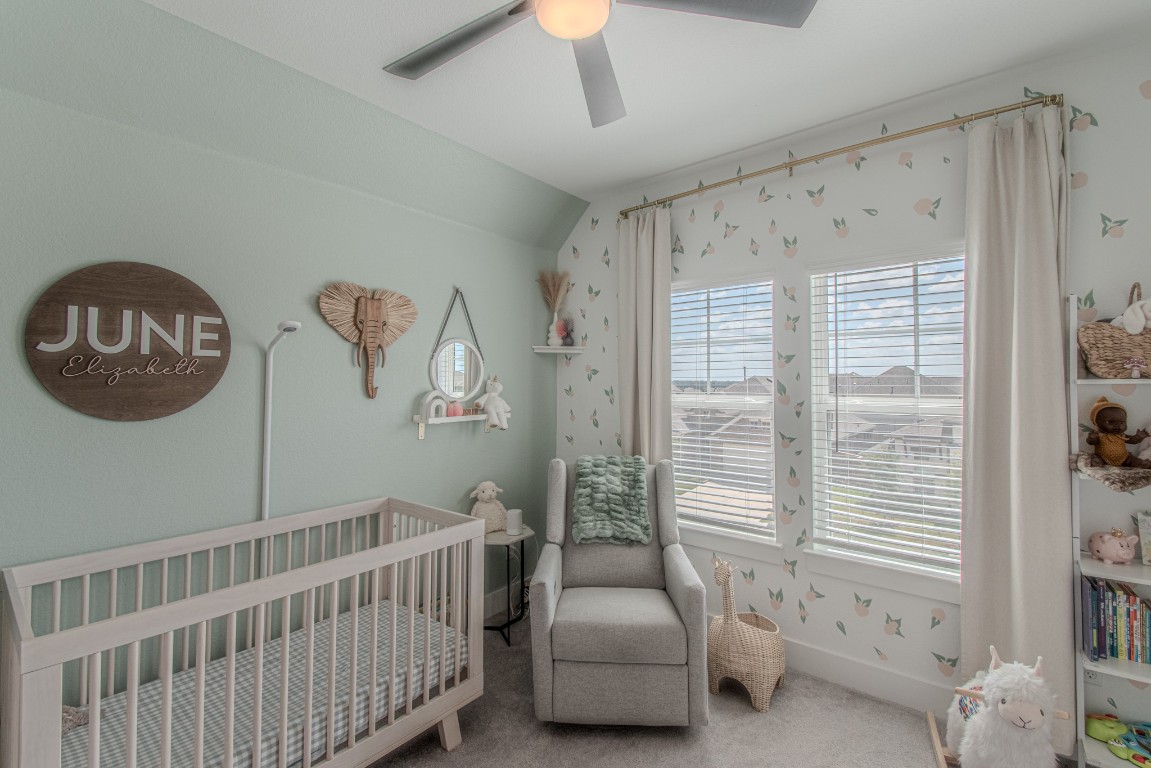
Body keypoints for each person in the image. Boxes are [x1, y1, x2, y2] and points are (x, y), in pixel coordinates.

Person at [1086, 396, 1151, 468]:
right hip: (1103, 458)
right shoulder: (1100, 435)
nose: (1117, 425)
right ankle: (1098, 464)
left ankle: (1142, 464)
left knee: (1133, 460)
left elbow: (1132, 440)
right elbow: (1091, 442)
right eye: (1110, 422)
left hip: (1125, 458)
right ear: (1096, 422)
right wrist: (1092, 437)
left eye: (1121, 422)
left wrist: (1138, 437)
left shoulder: (1122, 435)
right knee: (1097, 458)